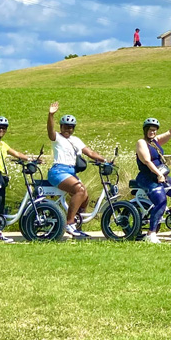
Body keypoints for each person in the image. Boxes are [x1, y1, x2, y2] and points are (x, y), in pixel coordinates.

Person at [46, 102, 109, 239]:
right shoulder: (57, 138)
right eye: (65, 126)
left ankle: (77, 226)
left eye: (71, 127)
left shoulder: (76, 140)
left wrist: (104, 160)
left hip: (71, 172)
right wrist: (51, 115)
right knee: (79, 190)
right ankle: (69, 223)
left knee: (85, 197)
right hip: (58, 171)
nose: (68, 129)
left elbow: (90, 152)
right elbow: (50, 131)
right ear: (61, 126)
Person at [135, 109, 171, 244]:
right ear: (145, 130)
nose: (153, 132)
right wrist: (159, 174)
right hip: (147, 177)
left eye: (154, 130)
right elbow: (147, 161)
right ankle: (151, 234)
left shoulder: (155, 141)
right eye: (150, 130)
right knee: (161, 200)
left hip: (160, 176)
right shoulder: (141, 143)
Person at [0, 106, 32, 243]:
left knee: (1, 204)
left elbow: (17, 154)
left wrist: (31, 159)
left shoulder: (3, 145)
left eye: (3, 128)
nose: (1, 130)